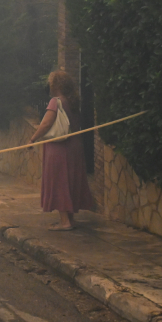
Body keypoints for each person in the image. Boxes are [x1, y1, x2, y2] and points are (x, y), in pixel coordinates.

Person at [28, 70, 93, 230]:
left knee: (59, 181)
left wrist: (32, 139)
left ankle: (64, 222)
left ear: (55, 85)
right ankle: (70, 219)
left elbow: (46, 124)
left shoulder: (55, 102)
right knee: (70, 181)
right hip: (75, 146)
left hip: (59, 148)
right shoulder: (73, 101)